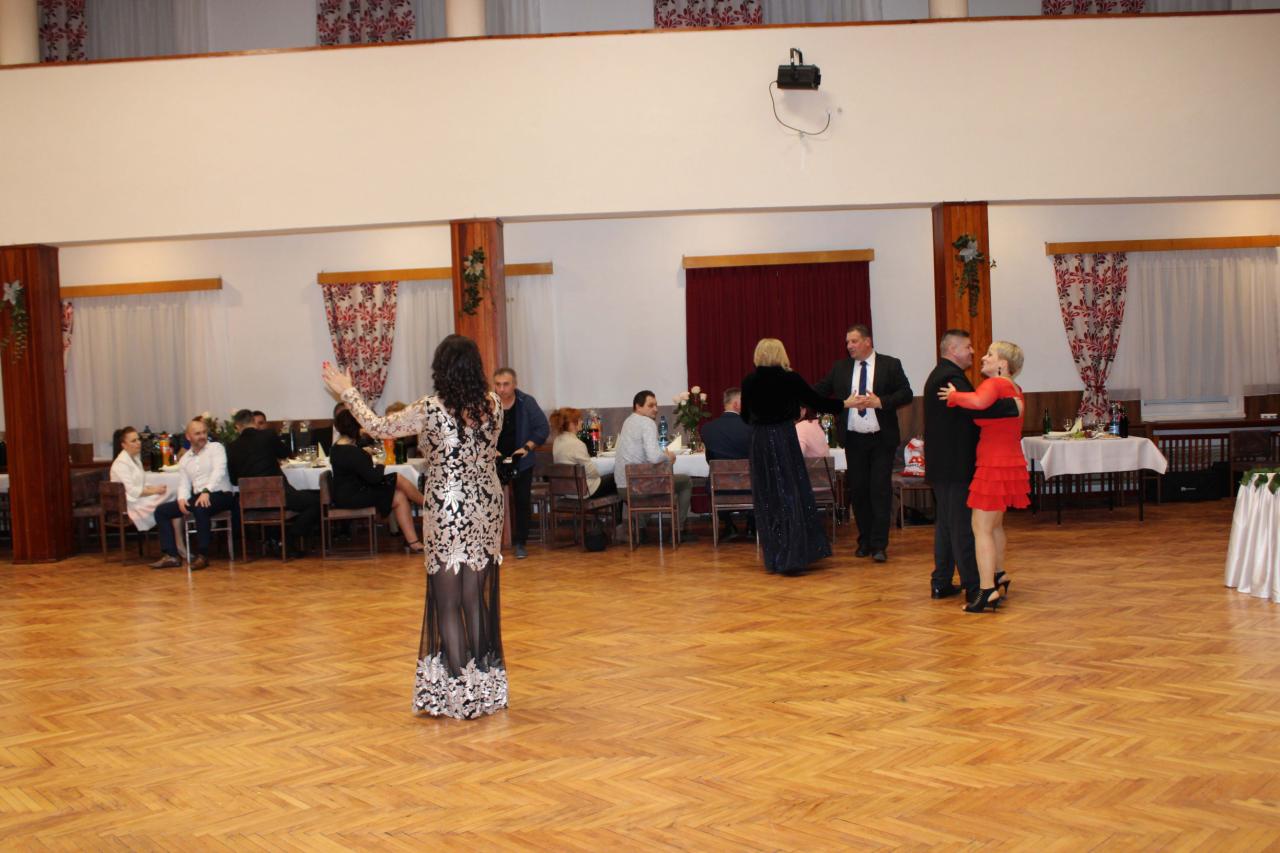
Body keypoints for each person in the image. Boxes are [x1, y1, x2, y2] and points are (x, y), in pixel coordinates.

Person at [323, 334, 507, 719]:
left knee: (447, 599)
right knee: (474, 597)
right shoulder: (494, 404)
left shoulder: (430, 408)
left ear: (440, 369)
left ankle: (459, 692)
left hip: (448, 505)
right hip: (486, 504)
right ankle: (483, 689)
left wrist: (347, 392)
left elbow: (377, 427)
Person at [741, 339, 857, 575]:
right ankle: (793, 557)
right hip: (783, 437)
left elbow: (745, 416)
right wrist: (846, 403)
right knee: (790, 493)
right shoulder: (790, 378)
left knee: (767, 497)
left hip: (759, 441)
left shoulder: (749, 381)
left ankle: (775, 557)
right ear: (781, 354)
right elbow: (817, 401)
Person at [923, 330, 1021, 602]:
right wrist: (1014, 406)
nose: (973, 352)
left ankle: (941, 581)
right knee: (962, 527)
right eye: (968, 347)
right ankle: (975, 586)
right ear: (953, 350)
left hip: (944, 464)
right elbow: (979, 406)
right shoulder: (950, 377)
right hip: (955, 464)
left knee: (946, 525)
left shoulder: (943, 374)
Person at [814, 324, 913, 563]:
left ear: (867, 341)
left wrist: (881, 402)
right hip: (854, 439)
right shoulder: (840, 368)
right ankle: (865, 540)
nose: (849, 346)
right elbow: (819, 391)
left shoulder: (890, 364)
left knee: (879, 490)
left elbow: (906, 393)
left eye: (854, 341)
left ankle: (879, 544)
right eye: (847, 342)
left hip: (881, 439)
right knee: (858, 491)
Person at [225, 407, 320, 555]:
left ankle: (277, 540)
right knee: (316, 501)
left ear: (237, 426)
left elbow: (234, 480)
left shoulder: (231, 447)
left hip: (251, 502)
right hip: (278, 496)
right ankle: (288, 538)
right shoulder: (268, 435)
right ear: (253, 422)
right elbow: (285, 453)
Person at [329, 408, 427, 551]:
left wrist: (365, 453)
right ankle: (428, 504)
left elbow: (362, 465)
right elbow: (373, 477)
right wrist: (380, 464)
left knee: (399, 496)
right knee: (397, 477)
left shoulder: (336, 448)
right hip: (352, 496)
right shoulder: (352, 452)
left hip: (347, 493)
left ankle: (413, 542)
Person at [151, 417, 236, 570]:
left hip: (222, 494)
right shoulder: (185, 459)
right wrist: (182, 499)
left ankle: (203, 555)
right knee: (162, 511)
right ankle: (171, 555)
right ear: (188, 437)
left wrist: (206, 491)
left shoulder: (216, 448)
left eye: (204, 432)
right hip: (199, 497)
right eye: (197, 434)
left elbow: (218, 471)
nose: (202, 436)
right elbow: (184, 483)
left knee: (200, 506)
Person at [614, 389, 695, 543]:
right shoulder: (647, 423)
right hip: (641, 488)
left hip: (623, 489)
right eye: (651, 405)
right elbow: (653, 456)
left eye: (656, 405)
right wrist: (668, 457)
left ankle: (641, 530)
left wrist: (660, 456)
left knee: (651, 480)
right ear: (638, 407)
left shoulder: (627, 421)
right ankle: (677, 530)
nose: (656, 409)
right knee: (685, 482)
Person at [492, 367, 550, 560]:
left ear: (515, 384)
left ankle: (520, 543)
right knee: (491, 502)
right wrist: (492, 450)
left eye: (506, 384)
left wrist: (526, 447)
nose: (502, 389)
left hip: (521, 459)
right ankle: (491, 544)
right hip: (495, 459)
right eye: (498, 384)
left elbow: (542, 428)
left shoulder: (526, 402)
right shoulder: (488, 404)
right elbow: (478, 432)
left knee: (522, 501)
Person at [110, 425, 183, 556]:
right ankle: (174, 547)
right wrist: (155, 491)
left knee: (174, 497)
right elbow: (132, 491)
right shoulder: (121, 463)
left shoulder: (135, 458)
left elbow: (141, 483)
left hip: (139, 498)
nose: (138, 443)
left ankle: (178, 544)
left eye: (138, 439)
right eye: (133, 441)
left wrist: (155, 489)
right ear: (124, 445)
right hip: (131, 504)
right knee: (167, 505)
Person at [701, 387, 754, 539]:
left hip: (720, 486)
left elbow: (709, 459)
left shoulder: (707, 429)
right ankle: (752, 525)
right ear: (737, 404)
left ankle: (729, 525)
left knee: (713, 481)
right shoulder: (751, 428)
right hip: (749, 486)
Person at [549, 407, 616, 498]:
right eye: (580, 420)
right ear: (572, 424)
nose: (582, 422)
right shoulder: (577, 444)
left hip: (567, 491)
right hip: (584, 491)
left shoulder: (557, 441)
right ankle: (618, 508)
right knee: (618, 478)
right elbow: (591, 472)